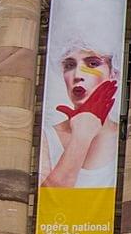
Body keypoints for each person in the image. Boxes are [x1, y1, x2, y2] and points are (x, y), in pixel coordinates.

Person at [39, 42, 120, 188]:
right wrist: (81, 137)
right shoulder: (47, 137)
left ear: (113, 73)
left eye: (92, 64)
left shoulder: (129, 138)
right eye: (69, 66)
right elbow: (50, 200)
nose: (77, 75)